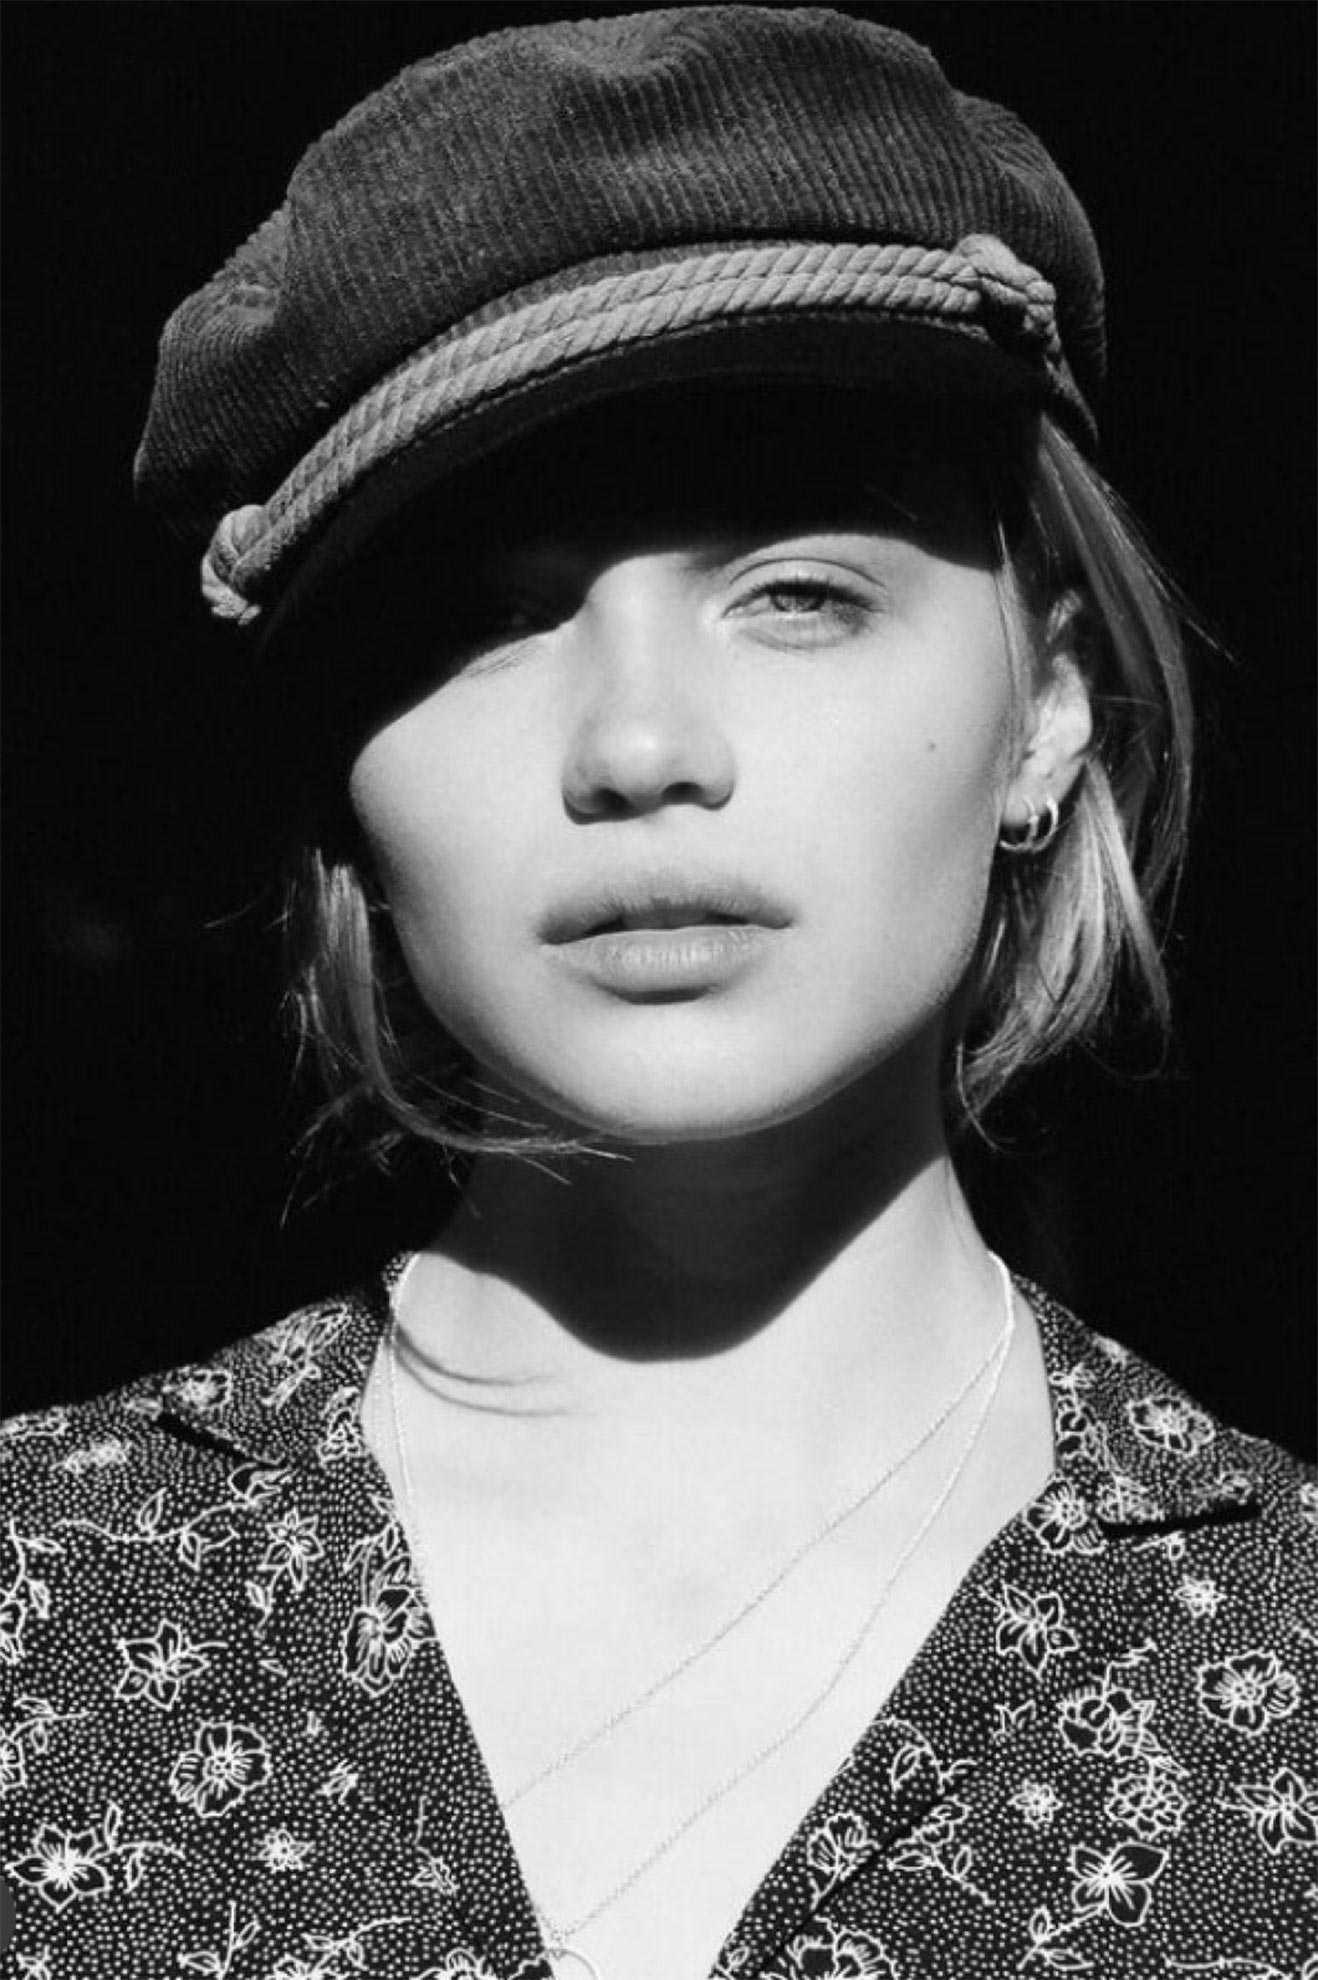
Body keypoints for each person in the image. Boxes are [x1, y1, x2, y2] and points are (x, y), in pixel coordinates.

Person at [2, 10, 1313, 1979]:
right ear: (345, 772)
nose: (635, 747)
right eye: (483, 618)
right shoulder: (44, 1601)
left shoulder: (1282, 1652)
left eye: (797, 595)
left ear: (1046, 706)